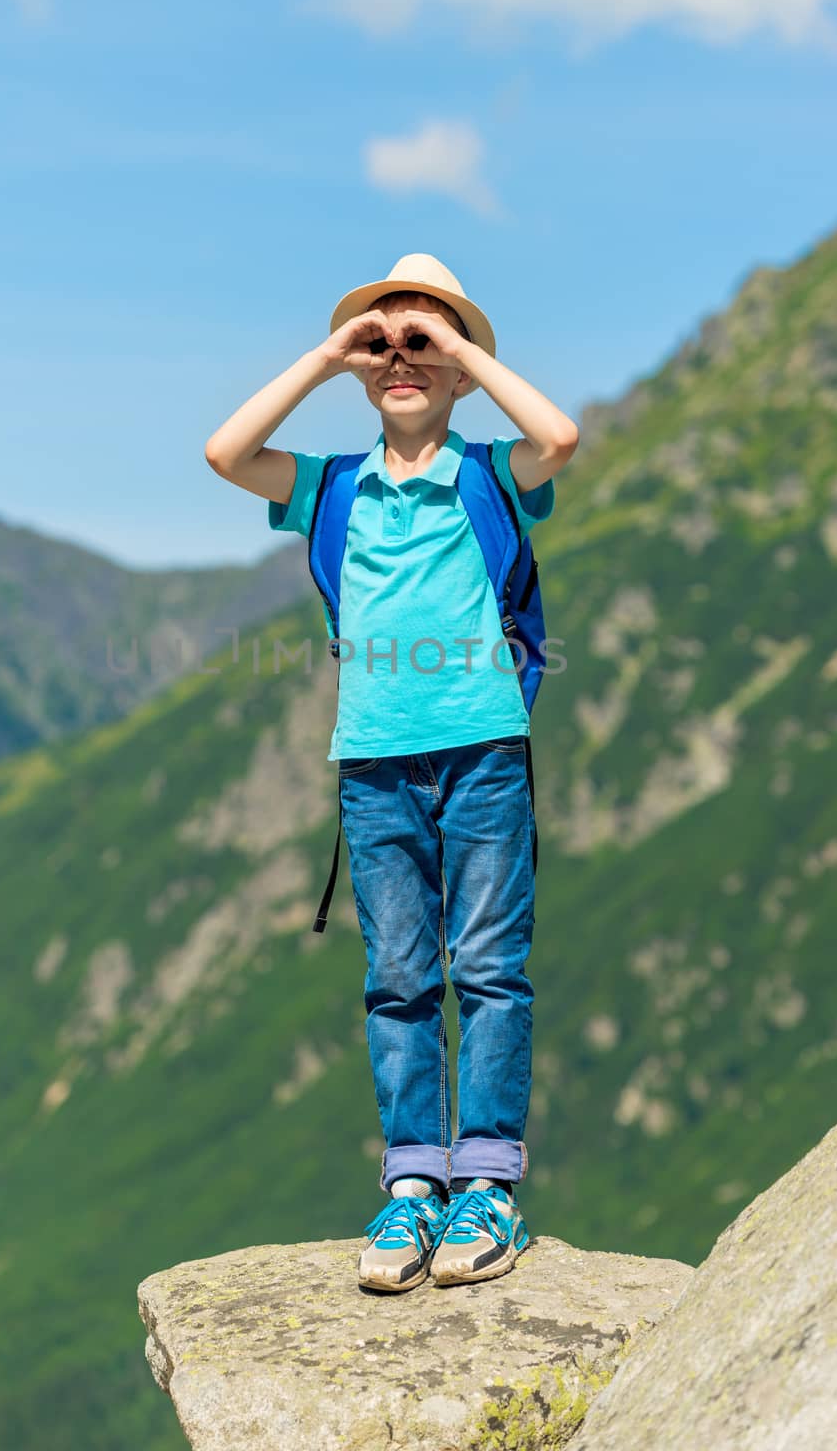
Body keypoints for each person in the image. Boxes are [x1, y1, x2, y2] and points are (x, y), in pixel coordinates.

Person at [204, 253, 579, 1291]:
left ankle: (488, 1184)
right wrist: (331, 356)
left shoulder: (493, 475)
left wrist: (459, 347)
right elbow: (225, 451)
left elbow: (561, 437)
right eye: (388, 343)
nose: (402, 356)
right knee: (400, 977)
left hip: (484, 751)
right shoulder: (330, 488)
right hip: (372, 763)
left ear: (458, 370)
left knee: (491, 968)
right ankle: (415, 1184)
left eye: (425, 343)